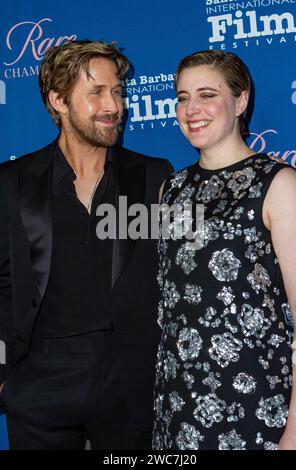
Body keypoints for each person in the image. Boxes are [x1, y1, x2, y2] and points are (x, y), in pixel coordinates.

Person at [0, 39, 173, 450]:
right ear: (58, 100)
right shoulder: (14, 183)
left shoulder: (151, 175)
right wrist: (7, 380)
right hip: (40, 379)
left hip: (128, 380)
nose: (114, 105)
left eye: (117, 91)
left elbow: (175, 271)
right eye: (96, 92)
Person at [152, 50, 296, 450]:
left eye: (206, 94)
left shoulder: (278, 185)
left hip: (254, 404)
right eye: (182, 97)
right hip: (177, 407)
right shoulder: (172, 189)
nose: (191, 109)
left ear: (240, 100)